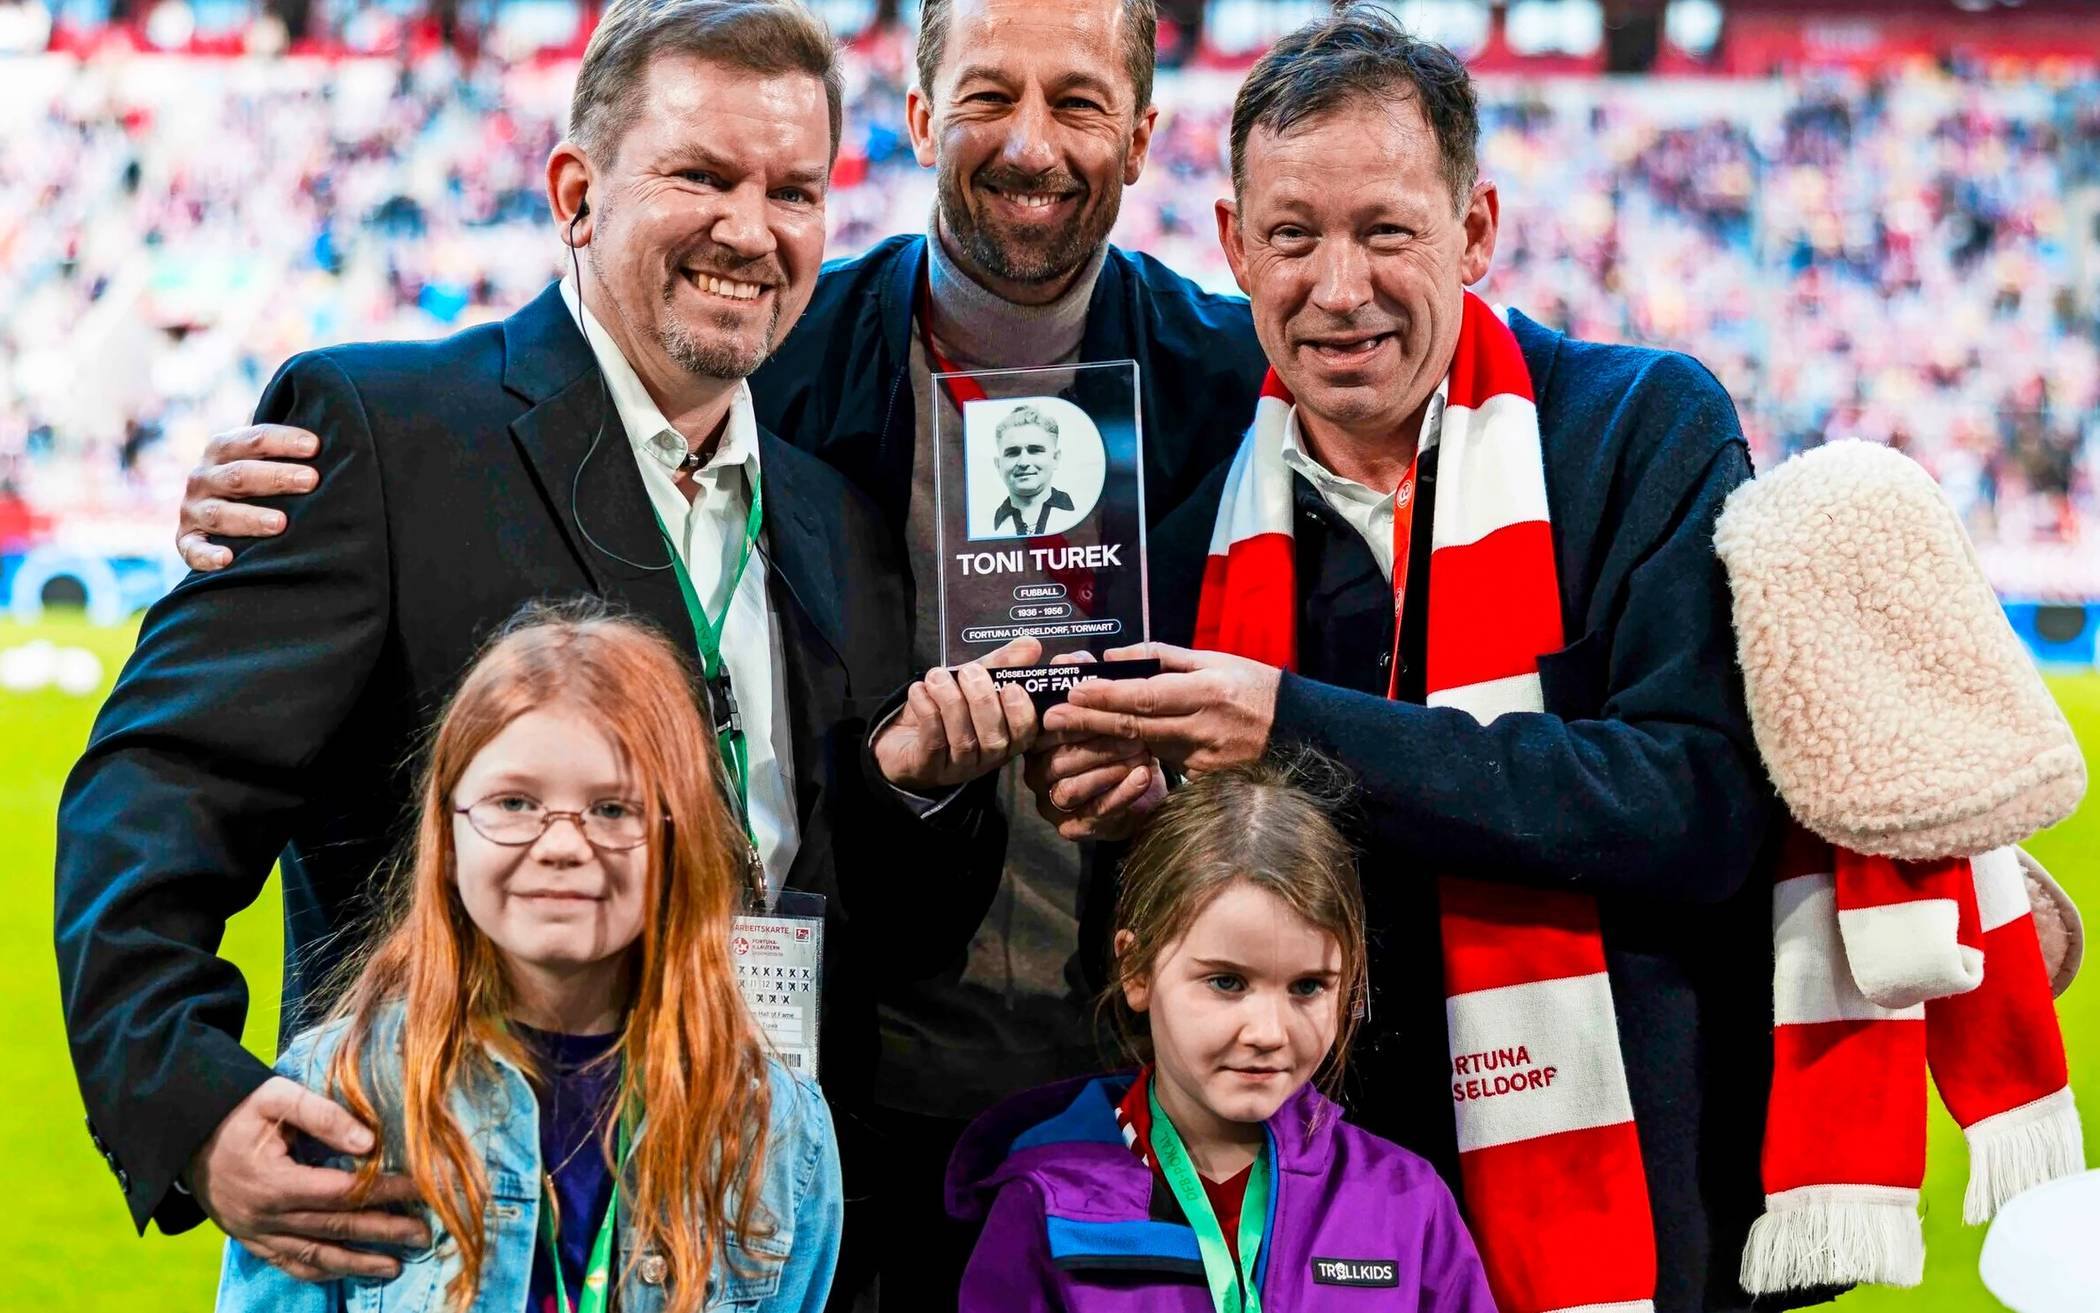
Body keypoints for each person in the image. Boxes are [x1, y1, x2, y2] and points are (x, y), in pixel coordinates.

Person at [170, 1, 1267, 1302]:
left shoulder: (1241, 378)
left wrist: (1164, 789)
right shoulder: (780, 345)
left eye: (1078, 101)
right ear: (917, 118)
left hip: (1077, 1086)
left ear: (1145, 135)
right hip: (682, 1120)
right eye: (987, 94)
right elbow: (544, 399)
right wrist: (190, 1103)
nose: (1030, 141)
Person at [1029, 12, 1791, 1313]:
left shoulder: (1639, 429)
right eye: (1292, 236)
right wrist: (1151, 823)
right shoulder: (1182, 512)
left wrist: (1286, 728)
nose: (1338, 286)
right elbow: (1137, 945)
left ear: (1475, 231)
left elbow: (1698, 807)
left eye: (1386, 231)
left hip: (1624, 1235)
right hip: (1303, 1238)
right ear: (1231, 245)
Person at [215, 607, 841, 1313]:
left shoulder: (775, 1124)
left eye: (612, 808)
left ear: (680, 837)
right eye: (514, 801)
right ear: (448, 834)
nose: (562, 844)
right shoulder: (342, 1093)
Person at [947, 755, 1498, 1312]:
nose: (1267, 1032)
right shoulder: (1045, 1203)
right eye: (1227, 982)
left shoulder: (1407, 1200)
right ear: (1136, 971)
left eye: (1308, 987)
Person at [985, 404, 1080, 537]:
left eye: (1035, 450)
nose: (1023, 462)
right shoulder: (985, 526)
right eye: (1013, 453)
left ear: (1055, 458)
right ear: (998, 465)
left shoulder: (1081, 516)